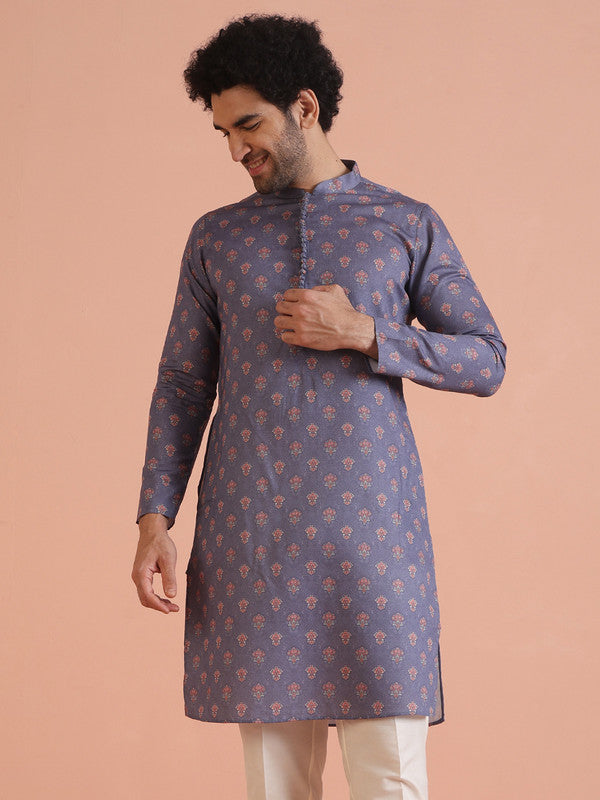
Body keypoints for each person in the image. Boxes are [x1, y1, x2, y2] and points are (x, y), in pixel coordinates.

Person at [131, 13, 507, 800]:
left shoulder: (403, 223)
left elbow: (486, 358)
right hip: (252, 545)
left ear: (304, 107)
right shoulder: (217, 238)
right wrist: (155, 519)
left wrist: (368, 333)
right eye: (223, 133)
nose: (235, 150)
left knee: (391, 782)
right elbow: (183, 384)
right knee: (276, 789)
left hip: (374, 546)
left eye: (249, 125)